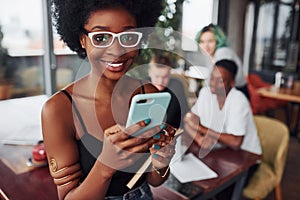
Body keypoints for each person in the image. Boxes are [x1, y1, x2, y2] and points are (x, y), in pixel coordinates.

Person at [42, 1, 179, 199]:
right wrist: (106, 165)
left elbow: (155, 180)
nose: (117, 50)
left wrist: (162, 162)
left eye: (128, 37)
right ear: (82, 39)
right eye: (101, 37)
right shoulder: (59, 110)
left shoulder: (146, 93)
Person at [184, 59, 261, 156]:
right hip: (221, 150)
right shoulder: (206, 92)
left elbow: (235, 142)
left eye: (220, 80)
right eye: (212, 78)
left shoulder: (238, 100)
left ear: (232, 83)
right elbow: (190, 118)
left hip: (247, 155)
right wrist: (200, 139)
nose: (213, 83)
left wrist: (202, 129)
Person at [195, 23, 250, 99]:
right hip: (225, 92)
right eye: (202, 41)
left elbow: (215, 80)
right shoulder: (211, 55)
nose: (206, 45)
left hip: (237, 94)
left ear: (218, 41)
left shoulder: (223, 52)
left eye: (210, 41)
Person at [148, 53, 190, 128]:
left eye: (165, 77)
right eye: (157, 76)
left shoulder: (177, 86)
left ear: (170, 73)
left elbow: (185, 113)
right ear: (150, 72)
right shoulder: (141, 86)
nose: (160, 81)